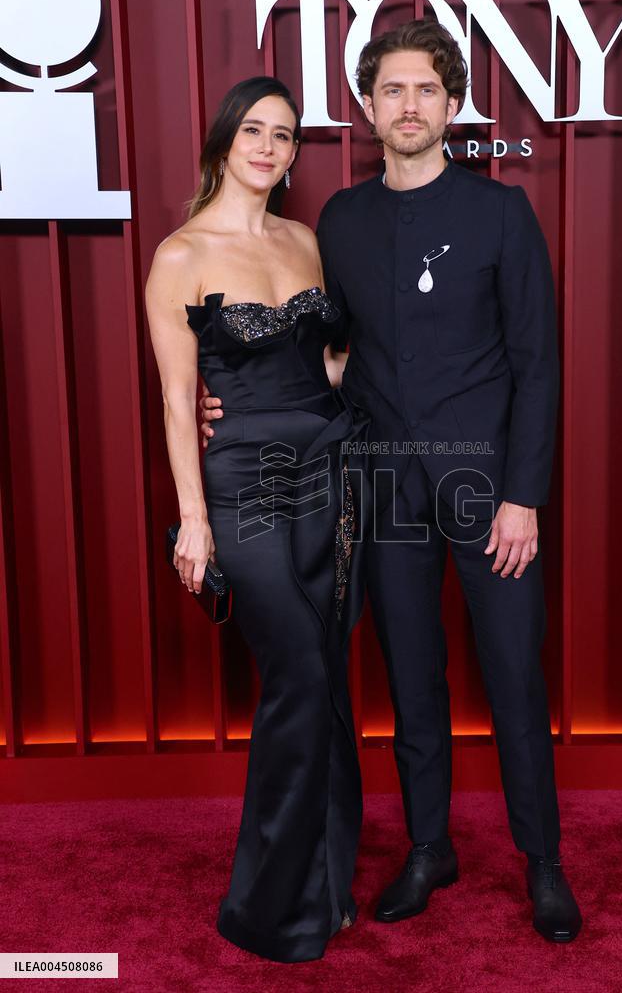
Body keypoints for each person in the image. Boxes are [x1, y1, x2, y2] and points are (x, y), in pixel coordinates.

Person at [201, 21, 582, 943]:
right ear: (369, 108)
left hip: (489, 488)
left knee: (513, 676)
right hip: (380, 485)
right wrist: (232, 400)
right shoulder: (341, 221)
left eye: (426, 90)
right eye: (393, 91)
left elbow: (538, 365)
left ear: (452, 106)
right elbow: (327, 352)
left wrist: (524, 496)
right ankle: (428, 848)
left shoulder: (502, 213)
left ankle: (543, 863)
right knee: (411, 676)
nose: (409, 106)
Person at [145, 76, 370, 963]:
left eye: (283, 135)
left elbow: (328, 363)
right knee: (299, 673)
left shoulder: (304, 241)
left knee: (329, 676)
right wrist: (192, 519)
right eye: (253, 131)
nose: (269, 147)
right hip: (242, 480)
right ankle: (269, 907)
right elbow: (176, 399)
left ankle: (328, 883)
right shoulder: (179, 255)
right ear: (223, 143)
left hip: (330, 470)